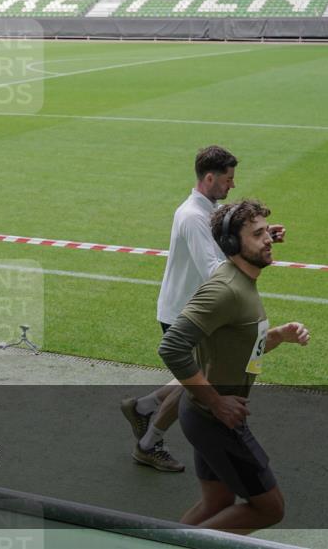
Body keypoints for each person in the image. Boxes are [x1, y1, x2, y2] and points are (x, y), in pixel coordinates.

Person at [121, 146, 284, 472]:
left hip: (193, 310)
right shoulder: (194, 216)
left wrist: (264, 237)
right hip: (189, 314)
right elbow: (214, 269)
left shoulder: (209, 208)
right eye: (228, 179)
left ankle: (144, 408)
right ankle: (148, 442)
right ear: (209, 177)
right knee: (197, 384)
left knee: (192, 380)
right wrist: (251, 257)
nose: (232, 185)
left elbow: (226, 240)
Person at [158, 199, 309, 533]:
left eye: (266, 231)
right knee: (270, 508)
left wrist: (278, 336)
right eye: (258, 234)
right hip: (214, 418)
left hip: (203, 413)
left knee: (218, 503)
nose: (268, 239)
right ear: (231, 244)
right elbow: (171, 346)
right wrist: (216, 401)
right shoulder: (225, 290)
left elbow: (237, 347)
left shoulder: (241, 281)